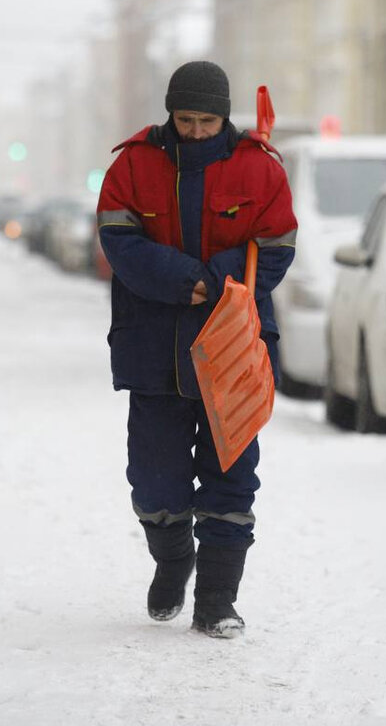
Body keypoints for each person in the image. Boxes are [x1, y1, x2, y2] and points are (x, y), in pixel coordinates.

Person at [96, 61, 297, 638]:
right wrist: (190, 280)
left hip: (233, 349)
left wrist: (221, 280)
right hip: (154, 351)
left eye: (208, 121)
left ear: (225, 115)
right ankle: (174, 558)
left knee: (231, 478)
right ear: (170, 114)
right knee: (152, 481)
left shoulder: (260, 169)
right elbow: (120, 241)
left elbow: (277, 245)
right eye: (185, 120)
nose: (197, 131)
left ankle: (216, 601)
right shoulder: (133, 164)